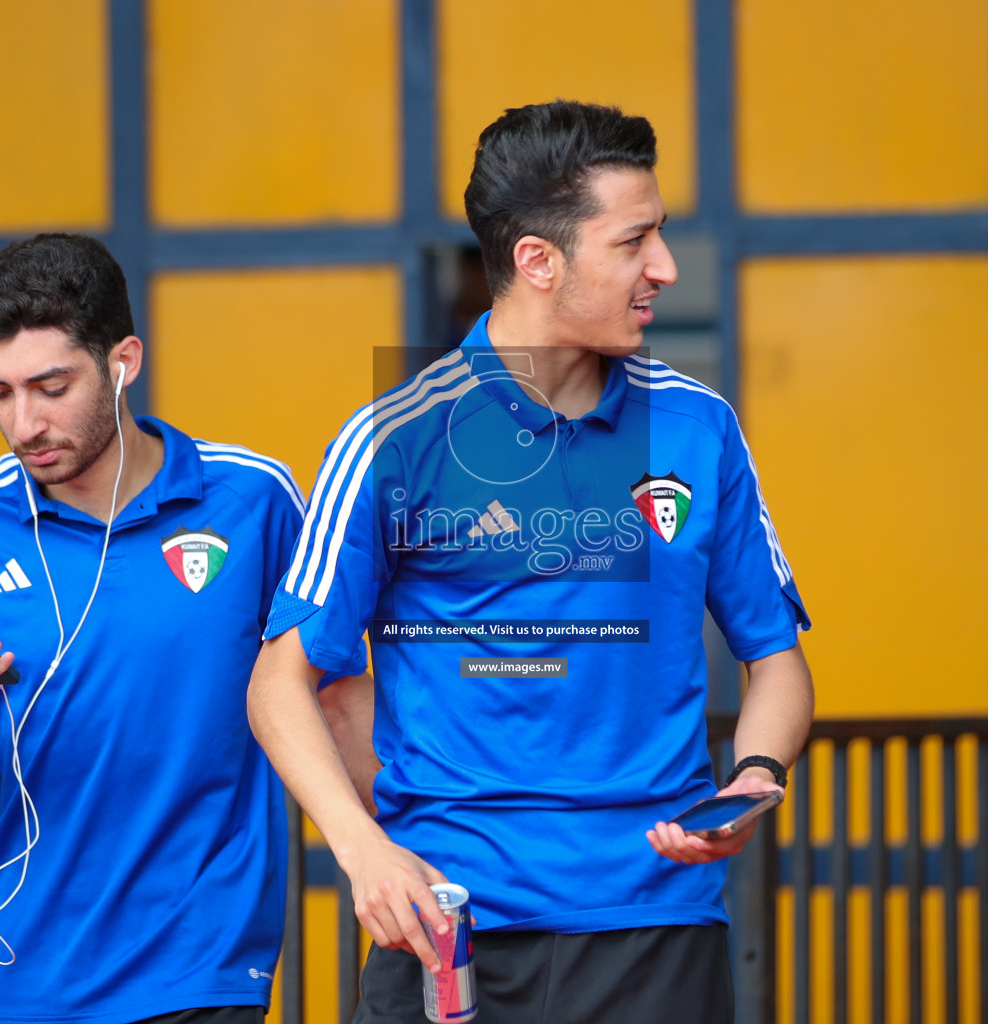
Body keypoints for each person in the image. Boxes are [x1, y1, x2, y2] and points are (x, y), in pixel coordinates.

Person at [247, 100, 814, 1024]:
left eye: (660, 236)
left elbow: (777, 662)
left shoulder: (698, 426)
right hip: (449, 925)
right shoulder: (394, 439)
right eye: (635, 242)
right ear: (538, 262)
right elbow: (281, 682)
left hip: (657, 929)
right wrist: (362, 850)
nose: (664, 269)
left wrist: (757, 775)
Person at [0, 233, 364, 1024]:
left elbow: (332, 698)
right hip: (15, 970)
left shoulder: (253, 497)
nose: (23, 422)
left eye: (50, 386)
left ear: (123, 361)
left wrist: (416, 849)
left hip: (201, 963)